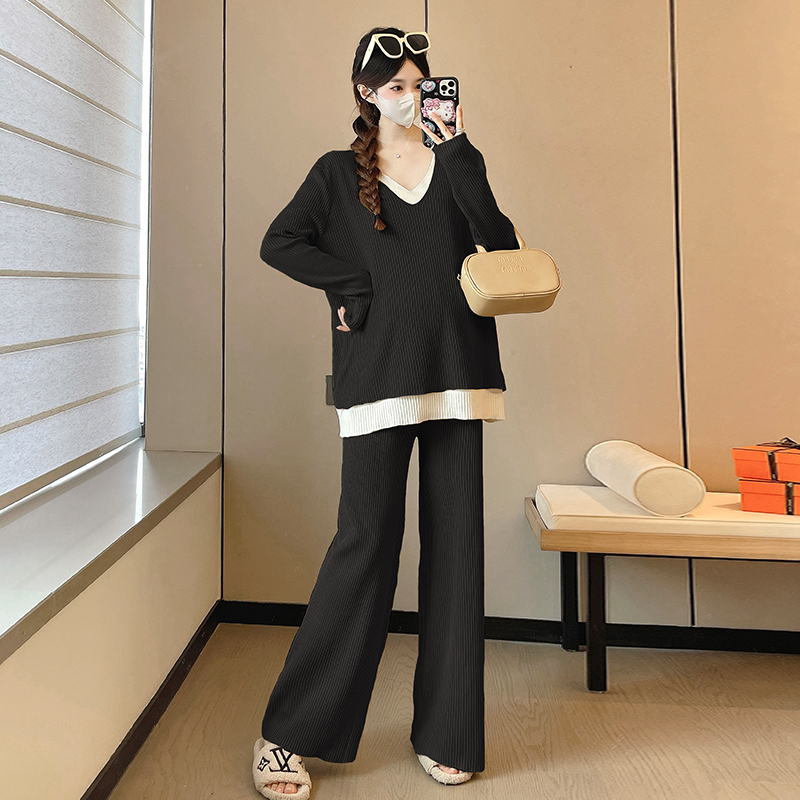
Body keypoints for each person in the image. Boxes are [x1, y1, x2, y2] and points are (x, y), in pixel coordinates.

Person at [251, 25, 519, 800]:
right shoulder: (337, 174)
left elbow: (499, 245)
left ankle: (448, 733)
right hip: (377, 378)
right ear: (366, 94)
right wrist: (351, 284)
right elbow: (281, 242)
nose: (410, 96)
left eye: (419, 83)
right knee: (365, 543)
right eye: (395, 85)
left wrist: (458, 146)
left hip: (460, 375)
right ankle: (289, 736)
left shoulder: (456, 162)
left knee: (456, 550)